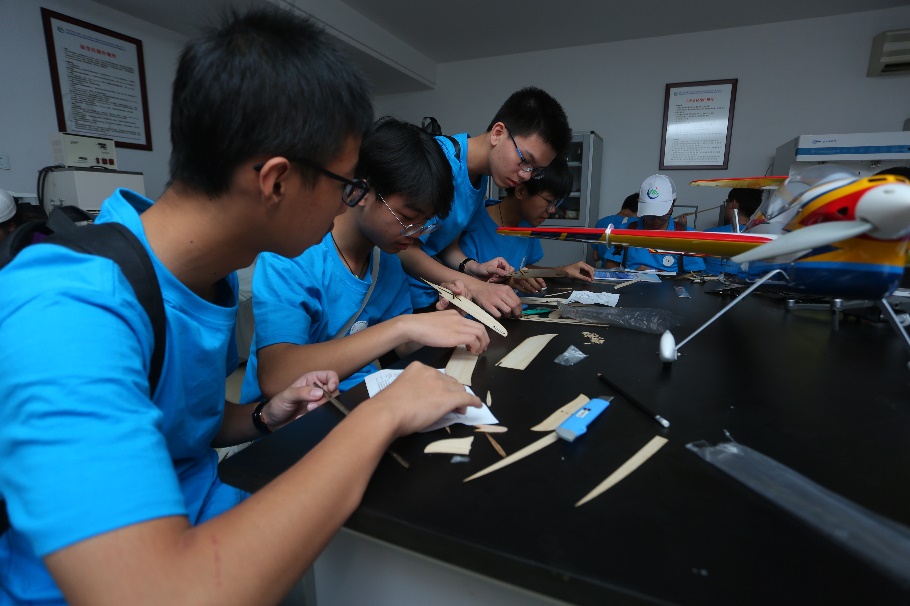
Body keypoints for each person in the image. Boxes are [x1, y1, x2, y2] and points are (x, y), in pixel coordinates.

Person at [0, 9, 479, 605]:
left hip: (220, 512)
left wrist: (261, 417)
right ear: (277, 181)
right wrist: (383, 416)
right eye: (345, 184)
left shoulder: (206, 277)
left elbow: (184, 429)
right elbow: (162, 595)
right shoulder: (70, 309)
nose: (347, 203)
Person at [241, 117, 490, 402]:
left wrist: (440, 324)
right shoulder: (293, 255)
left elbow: (404, 347)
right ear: (360, 191)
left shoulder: (387, 260)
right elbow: (276, 376)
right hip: (290, 417)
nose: (415, 233)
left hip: (354, 401)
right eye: (407, 218)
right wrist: (403, 326)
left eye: (426, 224)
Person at [399, 86, 573, 317]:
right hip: (401, 297)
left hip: (432, 295)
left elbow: (446, 244)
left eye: (535, 170)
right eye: (525, 160)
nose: (526, 175)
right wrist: (476, 286)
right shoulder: (437, 162)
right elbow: (404, 249)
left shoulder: (479, 179)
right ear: (498, 133)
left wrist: (473, 267)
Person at [453, 157, 594, 294]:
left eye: (556, 203)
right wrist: (508, 281)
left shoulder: (527, 224)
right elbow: (463, 282)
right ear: (521, 191)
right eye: (549, 202)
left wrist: (562, 271)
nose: (552, 210)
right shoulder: (471, 223)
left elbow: (525, 268)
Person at [601, 174, 706, 273]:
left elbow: (695, 276)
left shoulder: (687, 236)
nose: (656, 220)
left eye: (662, 215)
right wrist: (630, 274)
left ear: (673, 203)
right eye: (650, 215)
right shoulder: (626, 231)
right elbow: (610, 267)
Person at [702, 188, 763, 276]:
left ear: (734, 203)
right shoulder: (762, 236)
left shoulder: (708, 234)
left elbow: (693, 266)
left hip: (711, 283)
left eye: (727, 202)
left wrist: (683, 228)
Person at [591, 192, 638, 265]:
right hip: (626, 270)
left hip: (604, 270)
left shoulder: (601, 222)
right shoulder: (635, 223)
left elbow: (595, 257)